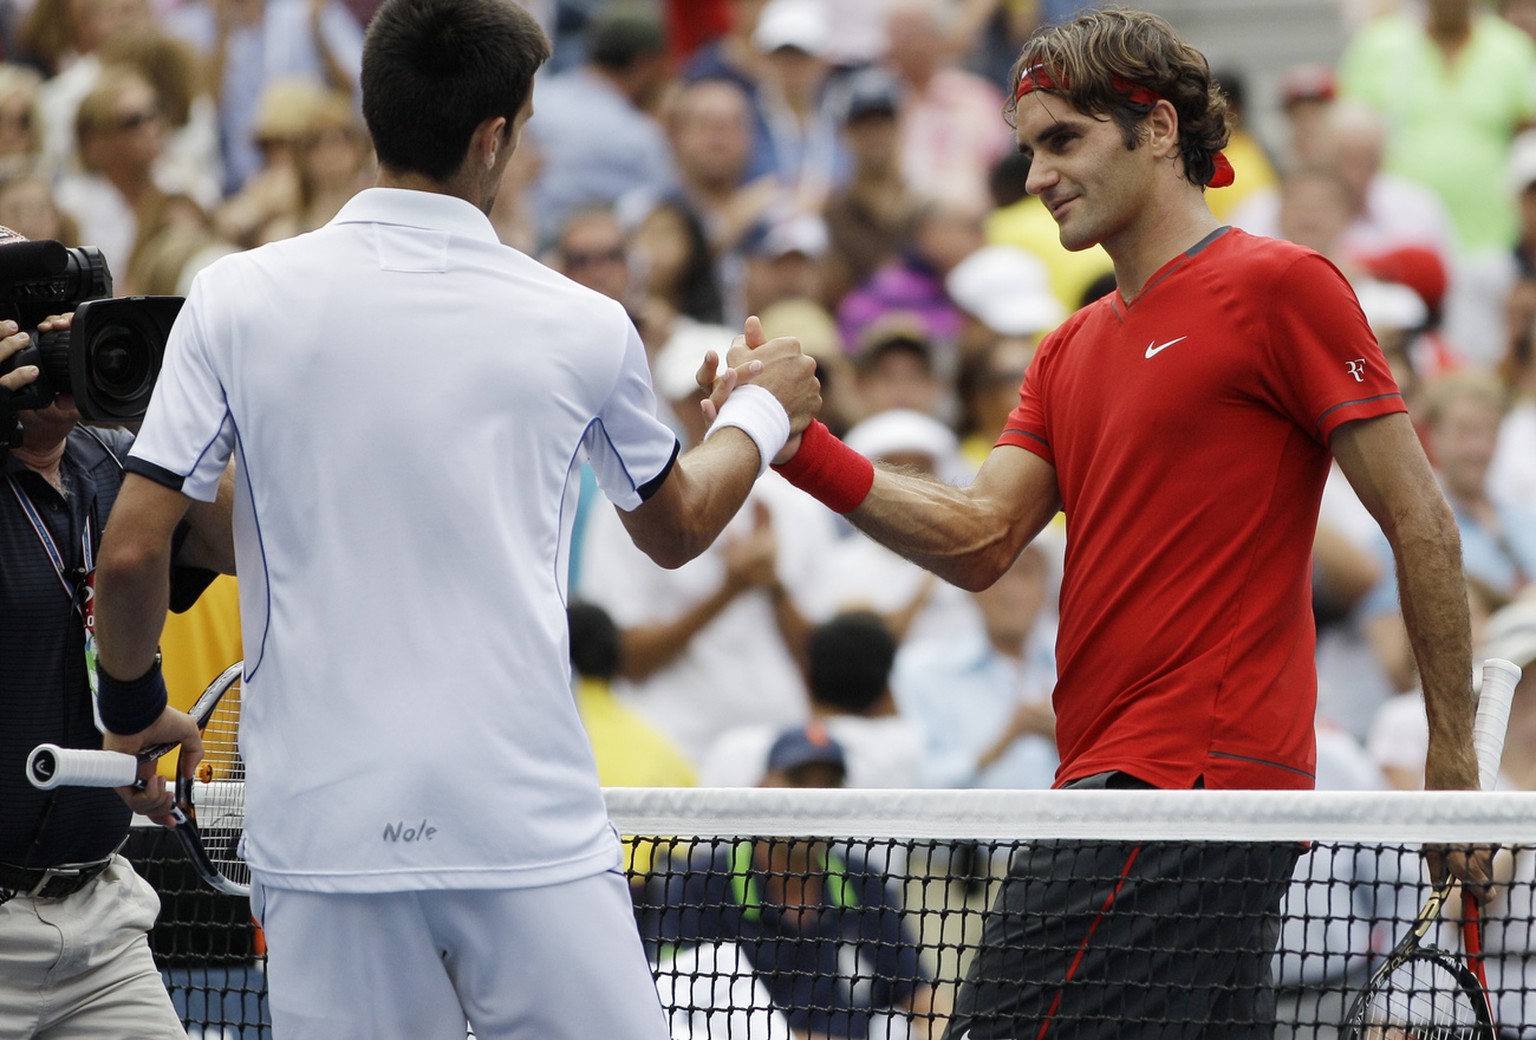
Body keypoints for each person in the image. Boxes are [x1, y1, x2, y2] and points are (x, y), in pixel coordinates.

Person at [734, 9, 1492, 1037]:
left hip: (1189, 783)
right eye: (1028, 148)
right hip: (1125, 782)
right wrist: (800, 447)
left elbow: (1421, 519)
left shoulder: (1282, 286)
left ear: (1160, 130)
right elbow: (979, 538)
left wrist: (1453, 765)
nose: (1038, 174)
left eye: (1065, 140)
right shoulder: (1067, 349)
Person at [86, 2, 821, 1038]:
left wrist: (129, 704)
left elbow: (129, 550)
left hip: (323, 841)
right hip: (523, 831)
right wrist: (762, 406)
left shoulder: (233, 298)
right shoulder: (581, 323)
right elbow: (680, 523)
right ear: (496, 137)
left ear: (372, 110)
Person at [0, 224, 233, 1038]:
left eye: (73, 312)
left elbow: (268, 528)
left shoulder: (116, 465)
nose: (65, 335)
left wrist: (202, 386)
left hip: (100, 920)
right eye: (32, 320)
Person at [641, 722, 942, 1039]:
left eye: (828, 785)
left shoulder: (864, 883)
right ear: (761, 788)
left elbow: (921, 995)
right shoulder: (700, 883)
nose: (812, 799)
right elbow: (671, 1007)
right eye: (798, 781)